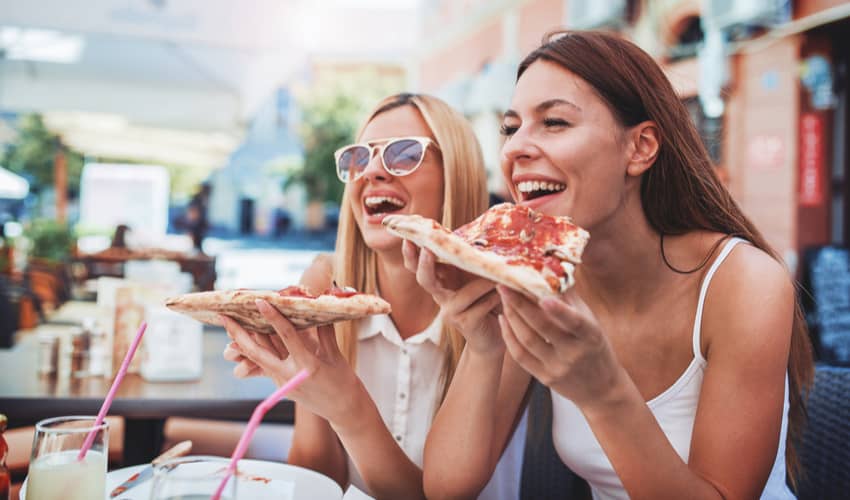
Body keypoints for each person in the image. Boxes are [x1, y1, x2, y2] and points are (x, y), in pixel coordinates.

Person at [406, 31, 814, 499]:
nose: (515, 148)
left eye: (555, 122)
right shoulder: (534, 281)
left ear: (640, 147)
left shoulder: (744, 283)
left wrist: (604, 393)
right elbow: (446, 488)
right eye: (510, 127)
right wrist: (483, 347)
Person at [221, 93, 526, 499]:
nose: (373, 172)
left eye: (403, 154)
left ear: (456, 175)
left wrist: (347, 407)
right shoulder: (321, 287)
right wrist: (305, 389)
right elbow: (316, 482)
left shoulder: (504, 309)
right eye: (359, 158)